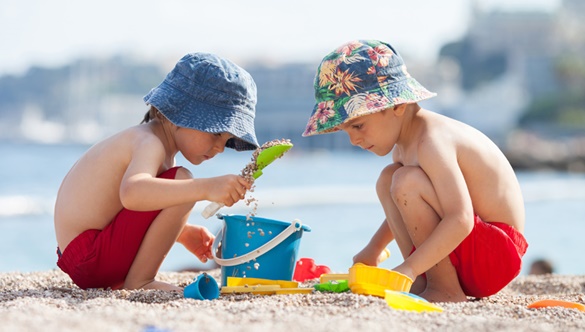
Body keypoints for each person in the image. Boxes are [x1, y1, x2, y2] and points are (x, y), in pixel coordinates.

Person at [302, 40, 528, 302]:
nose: (353, 140)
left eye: (359, 126)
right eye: (346, 131)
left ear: (397, 106)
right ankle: (427, 281)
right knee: (388, 179)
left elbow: (461, 218)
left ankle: (444, 288)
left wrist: (407, 268)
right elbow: (413, 204)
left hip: (496, 257)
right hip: (470, 250)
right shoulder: (405, 146)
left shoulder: (432, 141)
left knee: (405, 181)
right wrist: (374, 248)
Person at [54, 52, 259, 292]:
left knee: (175, 186)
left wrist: (182, 232)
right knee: (183, 181)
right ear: (181, 114)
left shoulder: (151, 144)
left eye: (227, 141)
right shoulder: (149, 143)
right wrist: (205, 188)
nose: (219, 148)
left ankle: (133, 279)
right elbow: (132, 193)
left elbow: (125, 206)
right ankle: (141, 281)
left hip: (85, 255)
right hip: (90, 255)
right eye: (216, 133)